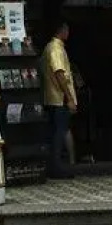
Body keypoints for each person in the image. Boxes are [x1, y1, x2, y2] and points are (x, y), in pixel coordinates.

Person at [40, 20, 77, 179]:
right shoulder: (55, 48)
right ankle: (57, 167)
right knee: (59, 133)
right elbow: (59, 73)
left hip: (52, 97)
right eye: (67, 30)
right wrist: (68, 97)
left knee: (57, 131)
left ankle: (60, 165)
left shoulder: (51, 47)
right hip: (58, 97)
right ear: (62, 31)